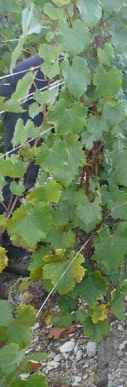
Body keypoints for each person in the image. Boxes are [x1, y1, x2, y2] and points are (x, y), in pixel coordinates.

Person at [0, 54, 48, 275]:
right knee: (18, 178)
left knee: (21, 178)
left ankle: (10, 246)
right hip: (26, 104)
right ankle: (7, 251)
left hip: (37, 99)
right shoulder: (35, 69)